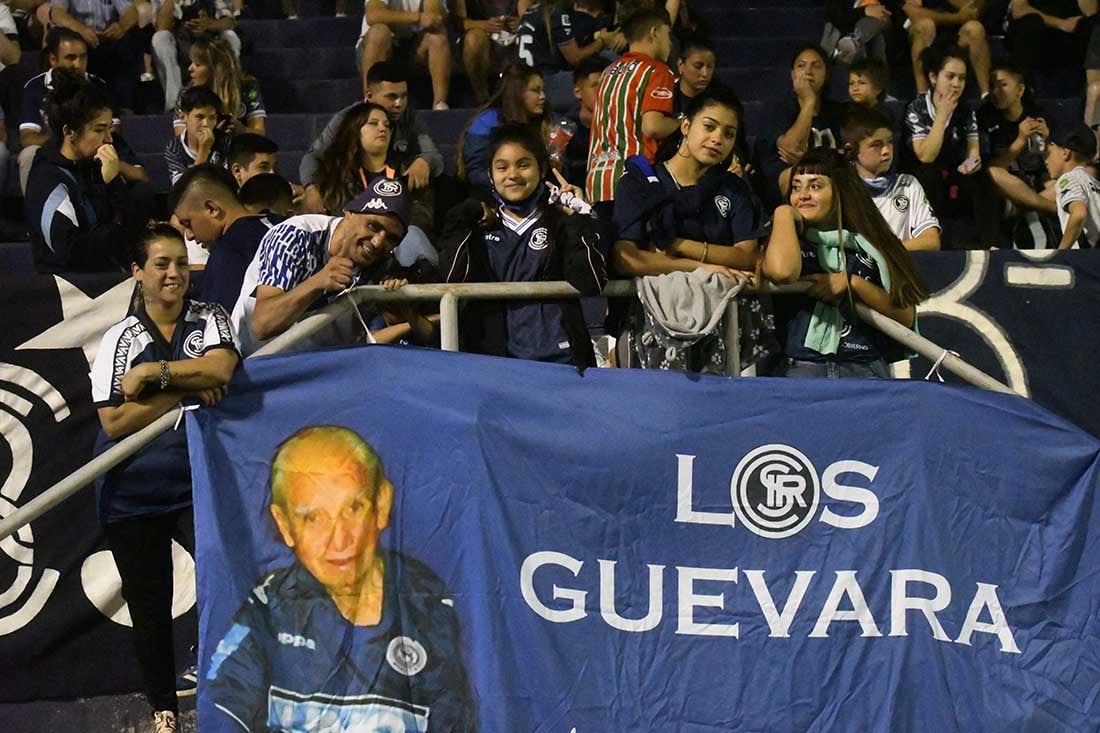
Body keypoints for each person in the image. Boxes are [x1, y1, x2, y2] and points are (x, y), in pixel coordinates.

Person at [206, 426, 477, 733]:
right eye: (313, 518)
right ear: (284, 525)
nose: (339, 541)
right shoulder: (268, 610)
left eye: (354, 508)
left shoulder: (437, 614)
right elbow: (220, 707)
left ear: (382, 504)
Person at [90, 223, 239, 733]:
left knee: (230, 581)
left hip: (199, 484)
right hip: (130, 491)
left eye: (180, 262)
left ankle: (229, 693)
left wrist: (155, 377)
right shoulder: (120, 337)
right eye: (161, 264)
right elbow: (113, 422)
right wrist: (183, 388)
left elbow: (221, 369)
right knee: (149, 607)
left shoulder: (210, 316)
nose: (175, 273)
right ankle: (164, 709)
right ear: (137, 273)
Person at [612, 87, 768, 372]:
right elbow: (627, 258)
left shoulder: (734, 188)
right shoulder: (641, 182)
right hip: (653, 327)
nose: (717, 139)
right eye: (709, 126)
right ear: (685, 125)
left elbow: (748, 257)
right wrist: (701, 268)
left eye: (729, 133)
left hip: (722, 328)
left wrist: (679, 246)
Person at [441, 124, 607, 367]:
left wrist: (577, 216)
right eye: (502, 167)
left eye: (523, 164)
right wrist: (467, 213)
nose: (512, 174)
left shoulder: (561, 222)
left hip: (561, 362)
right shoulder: (476, 226)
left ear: (542, 171)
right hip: (495, 365)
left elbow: (591, 281)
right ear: (490, 175)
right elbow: (453, 278)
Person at [762, 147, 928, 378]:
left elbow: (905, 316)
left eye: (815, 185)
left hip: (865, 370)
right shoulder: (786, 236)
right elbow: (782, 272)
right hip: (801, 370)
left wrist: (853, 284)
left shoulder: (871, 243)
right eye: (796, 187)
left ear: (840, 191)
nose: (803, 195)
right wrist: (783, 213)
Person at [231, 179, 410, 355]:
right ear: (349, 213)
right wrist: (318, 282)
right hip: (254, 364)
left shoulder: (383, 265)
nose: (378, 242)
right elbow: (263, 325)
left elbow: (420, 332)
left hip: (319, 371)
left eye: (391, 238)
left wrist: (401, 308)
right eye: (373, 226)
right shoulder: (296, 235)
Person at [26, 70, 145, 273]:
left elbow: (132, 234)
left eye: (109, 128)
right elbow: (72, 253)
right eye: (99, 130)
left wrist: (115, 183)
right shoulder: (46, 179)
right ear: (69, 132)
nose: (109, 139)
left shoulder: (97, 165)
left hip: (107, 280)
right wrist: (113, 190)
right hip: (68, 290)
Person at [300, 61, 444, 211]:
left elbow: (433, 155)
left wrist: (424, 161)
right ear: (369, 95)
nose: (399, 104)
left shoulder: (408, 116)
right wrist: (311, 189)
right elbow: (313, 156)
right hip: (353, 191)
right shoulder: (348, 118)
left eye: (404, 96)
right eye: (392, 97)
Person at [19, 27, 147, 194]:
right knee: (29, 154)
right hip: (51, 151)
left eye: (83, 57)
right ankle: (37, 211)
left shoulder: (99, 86)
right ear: (53, 59)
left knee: (105, 153)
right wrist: (68, 141)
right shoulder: (35, 87)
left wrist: (84, 142)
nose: (78, 65)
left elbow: (113, 130)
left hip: (92, 147)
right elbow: (28, 137)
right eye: (70, 58)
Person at [310, 102, 437, 265]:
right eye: (373, 123)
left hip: (396, 245)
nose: (383, 129)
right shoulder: (334, 172)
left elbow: (422, 219)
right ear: (355, 130)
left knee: (411, 234)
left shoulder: (410, 170)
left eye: (387, 125)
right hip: (353, 247)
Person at [906, 43, 1001, 248]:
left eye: (962, 78)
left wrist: (971, 163)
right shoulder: (917, 108)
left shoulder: (966, 110)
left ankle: (992, 246)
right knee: (929, 174)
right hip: (922, 174)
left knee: (983, 177)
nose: (956, 84)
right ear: (933, 77)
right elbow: (925, 156)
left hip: (954, 171)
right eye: (950, 77)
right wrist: (941, 116)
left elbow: (973, 151)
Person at [585, 7, 677, 207]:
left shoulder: (608, 71)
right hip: (634, 179)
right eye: (668, 35)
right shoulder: (657, 70)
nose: (670, 43)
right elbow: (652, 126)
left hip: (597, 181)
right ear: (654, 33)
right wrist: (685, 123)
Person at [172, 163, 284, 311]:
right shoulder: (284, 224)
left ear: (212, 209)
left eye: (188, 223)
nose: (189, 235)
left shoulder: (228, 252)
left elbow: (217, 329)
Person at [755, 43, 846, 206]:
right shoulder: (777, 110)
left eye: (816, 66)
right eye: (801, 66)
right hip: (784, 186)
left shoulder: (838, 112)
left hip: (830, 182)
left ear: (826, 74)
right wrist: (809, 102)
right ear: (793, 74)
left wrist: (806, 159)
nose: (808, 72)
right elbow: (792, 148)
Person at [842, 105, 942, 251]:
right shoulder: (842, 189)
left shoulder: (907, 185)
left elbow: (931, 241)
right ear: (851, 150)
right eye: (876, 145)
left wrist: (884, 252)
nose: (886, 151)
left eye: (889, 142)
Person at [979, 61, 1057, 221]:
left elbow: (1056, 164)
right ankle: (1052, 208)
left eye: (1003, 85)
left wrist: (1047, 141)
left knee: (1066, 184)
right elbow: (994, 168)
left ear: (1020, 90)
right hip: (1007, 185)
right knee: (992, 173)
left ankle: (1021, 209)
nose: (995, 92)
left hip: (1037, 183)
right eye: (992, 86)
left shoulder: (1038, 114)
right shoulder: (983, 117)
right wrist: (1020, 140)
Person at [459, 62, 553, 188]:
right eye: (536, 90)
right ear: (517, 92)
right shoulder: (487, 121)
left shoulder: (545, 123)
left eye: (542, 90)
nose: (542, 96)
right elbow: (475, 173)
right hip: (493, 194)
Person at [43, 0, 147, 110]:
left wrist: (121, 26)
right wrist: (80, 29)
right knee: (56, 36)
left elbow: (131, 12)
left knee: (133, 35)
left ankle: (124, 104)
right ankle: (60, 99)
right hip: (76, 37)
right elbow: (57, 13)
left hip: (106, 39)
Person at [516, 0, 613, 112]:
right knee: (608, 59)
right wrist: (602, 41)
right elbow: (575, 58)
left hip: (523, 83)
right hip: (547, 83)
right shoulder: (556, 13)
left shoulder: (529, 12)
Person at [150, 0, 240, 113]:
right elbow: (161, 26)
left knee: (231, 36)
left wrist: (210, 24)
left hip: (208, 43)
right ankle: (176, 104)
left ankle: (227, 97)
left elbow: (229, 22)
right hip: (179, 45)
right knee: (160, 38)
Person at [358, 0, 451, 108]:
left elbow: (434, 18)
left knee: (437, 36)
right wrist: (418, 18)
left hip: (411, 48)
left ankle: (440, 105)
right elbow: (373, 15)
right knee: (379, 33)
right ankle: (370, 104)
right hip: (379, 49)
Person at [174, 36, 264, 134]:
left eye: (197, 64)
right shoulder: (186, 94)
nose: (190, 68)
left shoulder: (247, 87)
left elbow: (260, 134)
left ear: (215, 69)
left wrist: (242, 130)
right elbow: (181, 139)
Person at [903, 0, 992, 97]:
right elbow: (913, 12)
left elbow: (974, 10)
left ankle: (986, 95)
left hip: (958, 34)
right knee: (925, 26)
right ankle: (922, 96)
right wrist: (957, 18)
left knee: (975, 29)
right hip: (925, 33)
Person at [452, 0, 521, 104]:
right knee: (473, 40)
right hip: (481, 39)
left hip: (514, 37)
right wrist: (483, 25)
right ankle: (483, 99)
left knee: (531, 32)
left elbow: (531, 15)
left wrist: (521, 22)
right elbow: (456, 23)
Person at [1045, 121, 1100, 248]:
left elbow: (1079, 213)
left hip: (1088, 258)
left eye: (1049, 153)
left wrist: (1062, 251)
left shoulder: (1068, 179)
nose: (1046, 161)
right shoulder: (1094, 182)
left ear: (1066, 152)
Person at [165, 85, 228, 185]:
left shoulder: (226, 141)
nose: (205, 124)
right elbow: (183, 193)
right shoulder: (174, 148)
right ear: (183, 117)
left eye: (211, 117)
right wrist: (203, 151)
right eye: (199, 117)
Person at [563, 55, 606, 184]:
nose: (602, 90)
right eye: (595, 85)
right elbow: (553, 162)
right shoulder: (566, 126)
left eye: (607, 84)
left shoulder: (621, 123)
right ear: (578, 92)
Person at [822, 0, 893, 64]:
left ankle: (853, 41)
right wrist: (864, 11)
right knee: (877, 39)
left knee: (877, 19)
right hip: (850, 30)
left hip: (881, 21)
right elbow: (836, 17)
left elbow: (893, 12)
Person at [672, 33, 715, 116]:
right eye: (698, 66)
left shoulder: (720, 100)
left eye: (710, 67)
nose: (705, 73)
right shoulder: (667, 97)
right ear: (681, 64)